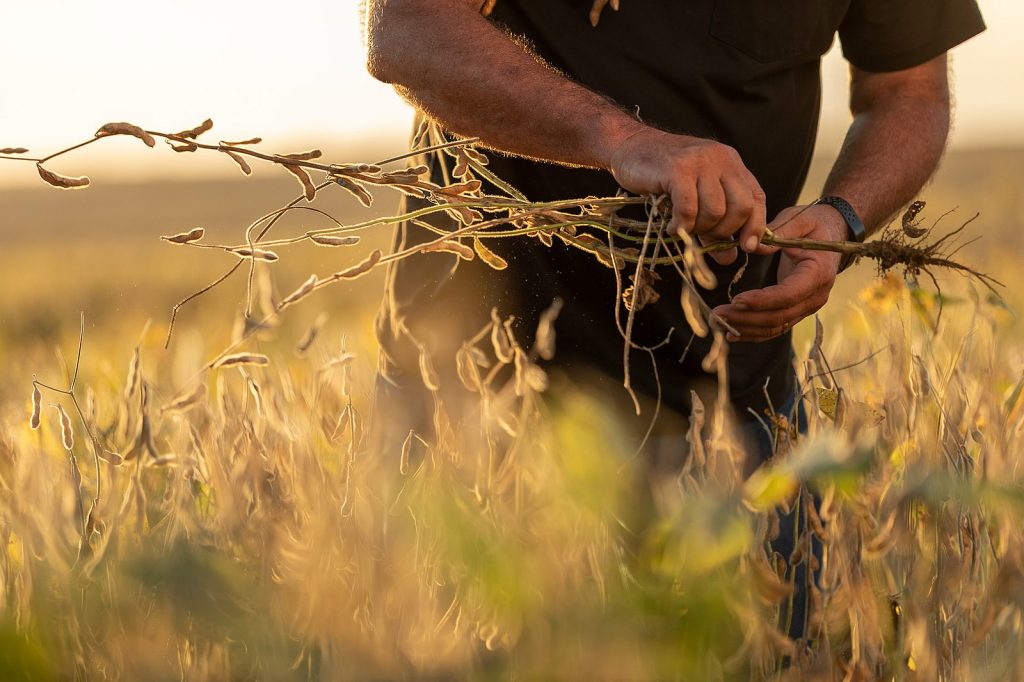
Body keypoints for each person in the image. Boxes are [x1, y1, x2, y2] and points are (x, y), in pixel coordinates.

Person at [364, 0, 984, 639]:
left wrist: (841, 219)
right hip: (479, 404)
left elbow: (910, 93)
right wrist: (623, 141)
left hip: (735, 415)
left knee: (767, 655)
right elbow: (408, 28)